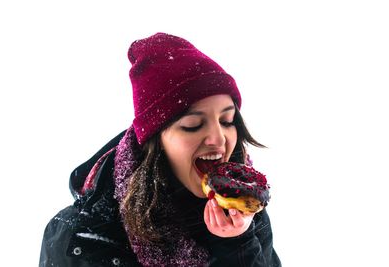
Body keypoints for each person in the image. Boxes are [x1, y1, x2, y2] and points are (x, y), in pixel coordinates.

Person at [39, 32, 281, 267]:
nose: (218, 138)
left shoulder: (244, 213)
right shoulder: (81, 239)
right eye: (192, 125)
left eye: (227, 121)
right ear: (154, 143)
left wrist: (237, 246)